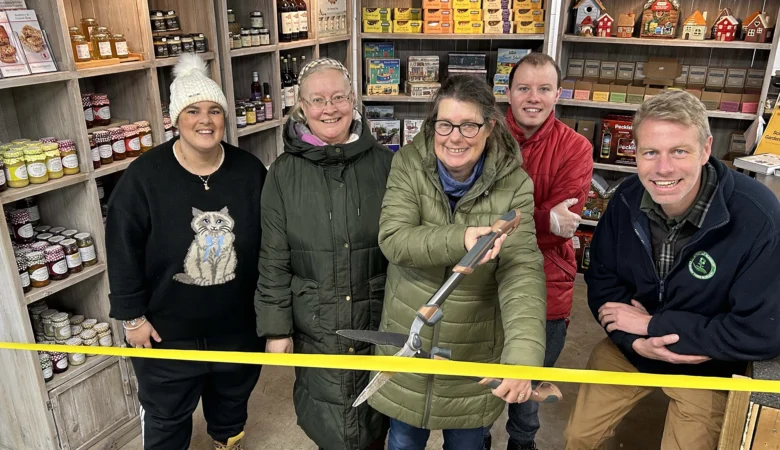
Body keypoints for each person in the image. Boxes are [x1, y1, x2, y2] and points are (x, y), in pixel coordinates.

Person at [565, 90, 780, 449]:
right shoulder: (626, 198)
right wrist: (634, 340)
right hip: (631, 350)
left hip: (707, 363)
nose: (663, 169)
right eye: (651, 152)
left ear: (706, 149)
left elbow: (762, 332)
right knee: (576, 438)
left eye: (679, 151)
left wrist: (654, 326)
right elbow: (602, 279)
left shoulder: (758, 218)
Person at [369, 74, 547, 450]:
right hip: (408, 338)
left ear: (489, 127)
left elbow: (521, 272)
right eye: (445, 124)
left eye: (469, 125)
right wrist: (461, 238)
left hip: (473, 347)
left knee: (466, 443)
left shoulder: (514, 184)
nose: (455, 137)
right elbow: (394, 239)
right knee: (402, 440)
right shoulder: (407, 164)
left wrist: (522, 358)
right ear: (432, 125)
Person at [106, 53, 266, 450]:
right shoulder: (143, 177)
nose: (205, 120)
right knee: (166, 414)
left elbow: (271, 243)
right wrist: (131, 318)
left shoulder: (250, 171)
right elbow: (122, 249)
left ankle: (227, 443)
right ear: (176, 119)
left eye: (215, 110)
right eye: (193, 111)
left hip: (237, 324)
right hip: (166, 330)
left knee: (231, 404)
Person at [254, 58, 393, 450]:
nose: (329, 108)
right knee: (330, 422)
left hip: (376, 315)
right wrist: (276, 328)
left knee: (377, 418)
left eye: (338, 97)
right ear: (301, 107)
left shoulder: (386, 165)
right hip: (315, 320)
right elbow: (273, 258)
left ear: (354, 101)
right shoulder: (282, 173)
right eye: (317, 100)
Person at [487, 53, 593, 450]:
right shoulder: (483, 135)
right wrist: (543, 219)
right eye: (524, 88)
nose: (534, 97)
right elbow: (471, 210)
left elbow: (564, 222)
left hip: (548, 285)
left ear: (558, 93)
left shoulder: (576, 148)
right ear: (508, 92)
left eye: (544, 89)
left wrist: (502, 222)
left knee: (527, 388)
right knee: (479, 381)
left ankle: (523, 443)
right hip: (484, 278)